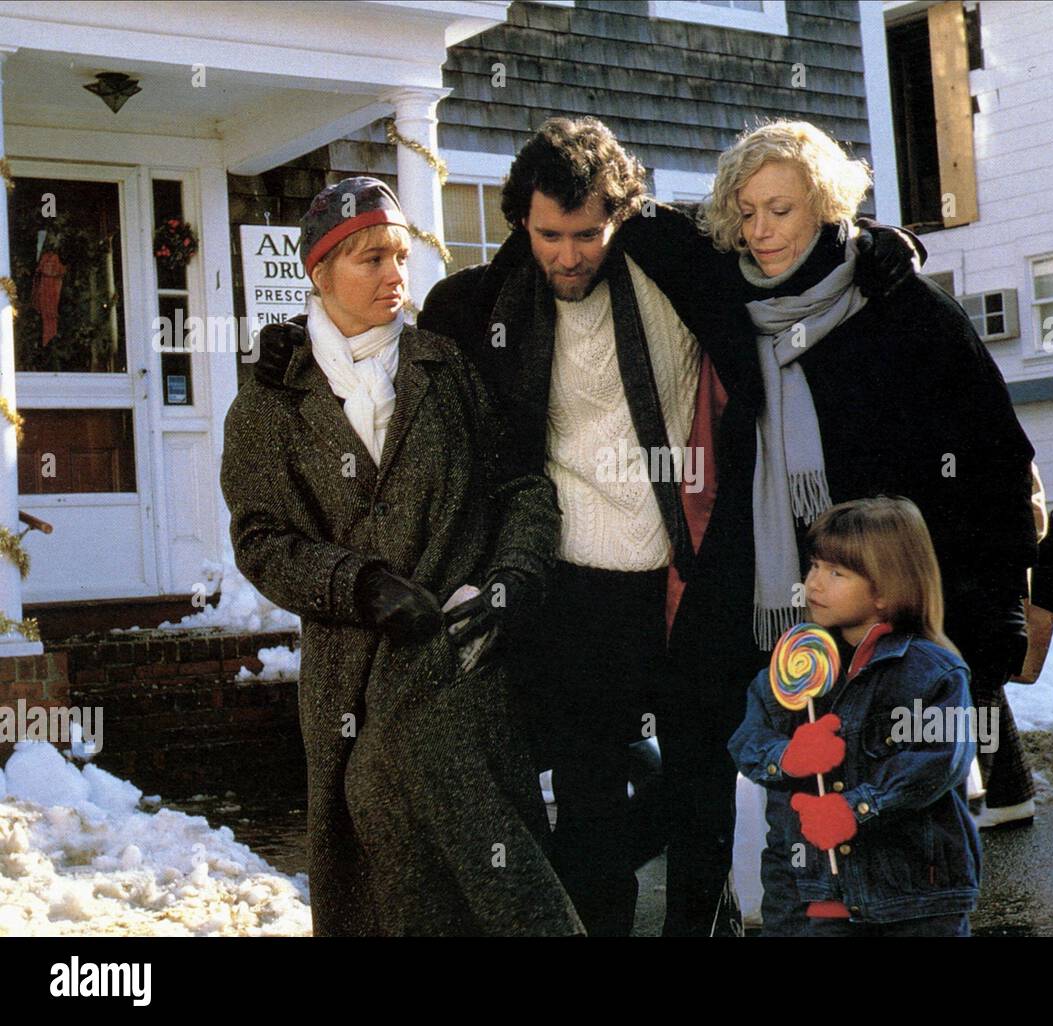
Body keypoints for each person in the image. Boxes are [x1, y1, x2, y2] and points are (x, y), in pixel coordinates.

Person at [251, 118, 920, 936]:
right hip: (572, 586)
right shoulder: (482, 306)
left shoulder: (678, 263)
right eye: (549, 235)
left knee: (703, 785)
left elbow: (780, 255)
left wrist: (875, 241)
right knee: (590, 799)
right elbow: (383, 345)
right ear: (522, 226)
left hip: (690, 571)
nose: (568, 255)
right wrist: (298, 340)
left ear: (621, 217)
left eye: (588, 234)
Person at [220, 177, 583, 936]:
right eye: (368, 259)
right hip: (347, 674)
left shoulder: (448, 371)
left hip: (457, 658)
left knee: (497, 876)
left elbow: (522, 486)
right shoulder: (270, 399)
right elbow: (260, 537)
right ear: (319, 273)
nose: (394, 275)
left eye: (399, 255)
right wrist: (357, 584)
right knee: (375, 878)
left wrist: (513, 577)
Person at [672, 120, 1040, 833]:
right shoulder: (730, 303)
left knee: (910, 787)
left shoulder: (898, 300)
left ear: (825, 207)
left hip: (911, 575)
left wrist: (999, 591)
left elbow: (993, 440)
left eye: (781, 210)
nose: (761, 231)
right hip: (802, 585)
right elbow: (638, 226)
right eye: (746, 212)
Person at [728, 496, 981, 936]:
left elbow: (939, 760)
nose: (813, 584)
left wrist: (856, 807)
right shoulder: (797, 666)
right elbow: (746, 740)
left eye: (835, 573)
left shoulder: (932, 673)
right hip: (809, 896)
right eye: (813, 567)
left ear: (886, 591)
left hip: (910, 901)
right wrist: (788, 757)